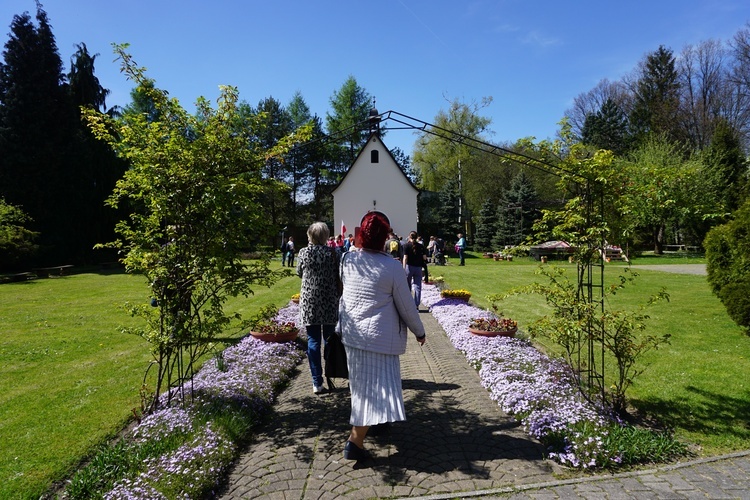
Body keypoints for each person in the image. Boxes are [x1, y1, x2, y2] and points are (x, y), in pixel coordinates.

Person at [339, 211, 426, 461]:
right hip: (379, 339)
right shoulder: (391, 267)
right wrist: (419, 331)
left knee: (362, 388)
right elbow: (407, 306)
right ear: (385, 237)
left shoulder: (347, 260)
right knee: (373, 390)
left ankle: (376, 424)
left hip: (353, 335)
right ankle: (355, 442)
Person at [296, 222, 341, 394]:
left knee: (313, 340)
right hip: (329, 300)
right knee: (329, 339)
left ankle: (317, 382)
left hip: (310, 302)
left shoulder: (304, 253)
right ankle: (331, 373)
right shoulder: (334, 253)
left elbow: (299, 272)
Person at [402, 231, 424, 308]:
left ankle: (408, 304)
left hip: (409, 267)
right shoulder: (421, 246)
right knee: (418, 287)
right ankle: (416, 305)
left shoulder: (406, 246)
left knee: (408, 286)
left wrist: (403, 268)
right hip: (418, 268)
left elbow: (405, 258)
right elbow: (424, 257)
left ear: (409, 237)